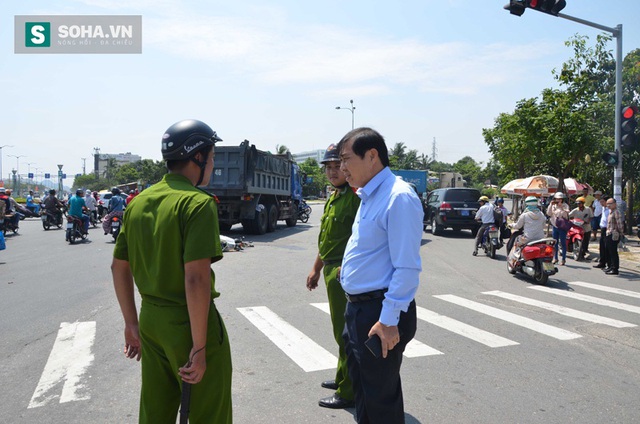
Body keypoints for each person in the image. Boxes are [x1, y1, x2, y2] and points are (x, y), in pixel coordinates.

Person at [111, 119, 231, 423]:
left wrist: (131, 324)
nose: (213, 164)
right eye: (212, 157)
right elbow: (195, 278)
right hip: (188, 322)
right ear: (197, 157)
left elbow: (118, 267)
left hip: (151, 320)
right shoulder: (197, 204)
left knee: (155, 409)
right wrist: (200, 347)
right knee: (209, 412)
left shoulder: (138, 204)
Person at [337, 127, 422, 424]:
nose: (341, 168)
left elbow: (407, 267)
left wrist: (388, 321)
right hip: (359, 309)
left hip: (380, 313)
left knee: (380, 400)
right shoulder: (370, 195)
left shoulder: (398, 197)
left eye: (346, 159)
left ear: (372, 156)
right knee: (363, 391)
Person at [306, 143, 360, 409]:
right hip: (330, 269)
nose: (331, 171)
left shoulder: (355, 197)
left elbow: (362, 241)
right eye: (327, 167)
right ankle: (342, 377)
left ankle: (348, 391)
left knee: (346, 333)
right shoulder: (334, 197)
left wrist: (340, 268)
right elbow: (326, 239)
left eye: (336, 166)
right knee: (340, 331)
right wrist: (316, 268)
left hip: (343, 272)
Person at [507, 196, 547, 266]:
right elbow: (543, 225)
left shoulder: (524, 215)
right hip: (540, 238)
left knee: (517, 243)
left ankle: (516, 260)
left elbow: (518, 226)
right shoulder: (541, 214)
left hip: (528, 238)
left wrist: (511, 225)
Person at [547, 192, 570, 265]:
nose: (558, 200)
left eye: (560, 199)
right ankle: (555, 258)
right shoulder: (553, 205)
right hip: (555, 226)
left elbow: (567, 214)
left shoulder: (565, 205)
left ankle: (563, 259)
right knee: (555, 243)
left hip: (562, 227)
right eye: (557, 199)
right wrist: (551, 205)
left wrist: (561, 207)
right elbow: (549, 213)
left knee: (563, 243)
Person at [603, 198, 624, 275]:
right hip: (609, 233)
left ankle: (615, 269)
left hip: (614, 234)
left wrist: (621, 233)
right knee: (609, 251)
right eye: (607, 203)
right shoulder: (610, 212)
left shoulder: (616, 212)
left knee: (613, 252)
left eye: (610, 203)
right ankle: (611, 267)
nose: (608, 205)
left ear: (615, 204)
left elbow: (620, 224)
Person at [568, 197, 593, 261]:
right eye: (577, 204)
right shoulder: (575, 210)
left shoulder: (588, 209)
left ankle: (583, 253)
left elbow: (591, 217)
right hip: (577, 228)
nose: (578, 205)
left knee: (586, 241)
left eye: (580, 203)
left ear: (583, 203)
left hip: (586, 228)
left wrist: (588, 221)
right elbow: (568, 215)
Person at [593, 196, 611, 271]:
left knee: (607, 247)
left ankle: (609, 264)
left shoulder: (610, 210)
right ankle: (602, 262)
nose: (601, 203)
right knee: (602, 246)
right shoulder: (603, 208)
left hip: (608, 229)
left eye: (602, 201)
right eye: (600, 202)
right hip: (602, 229)